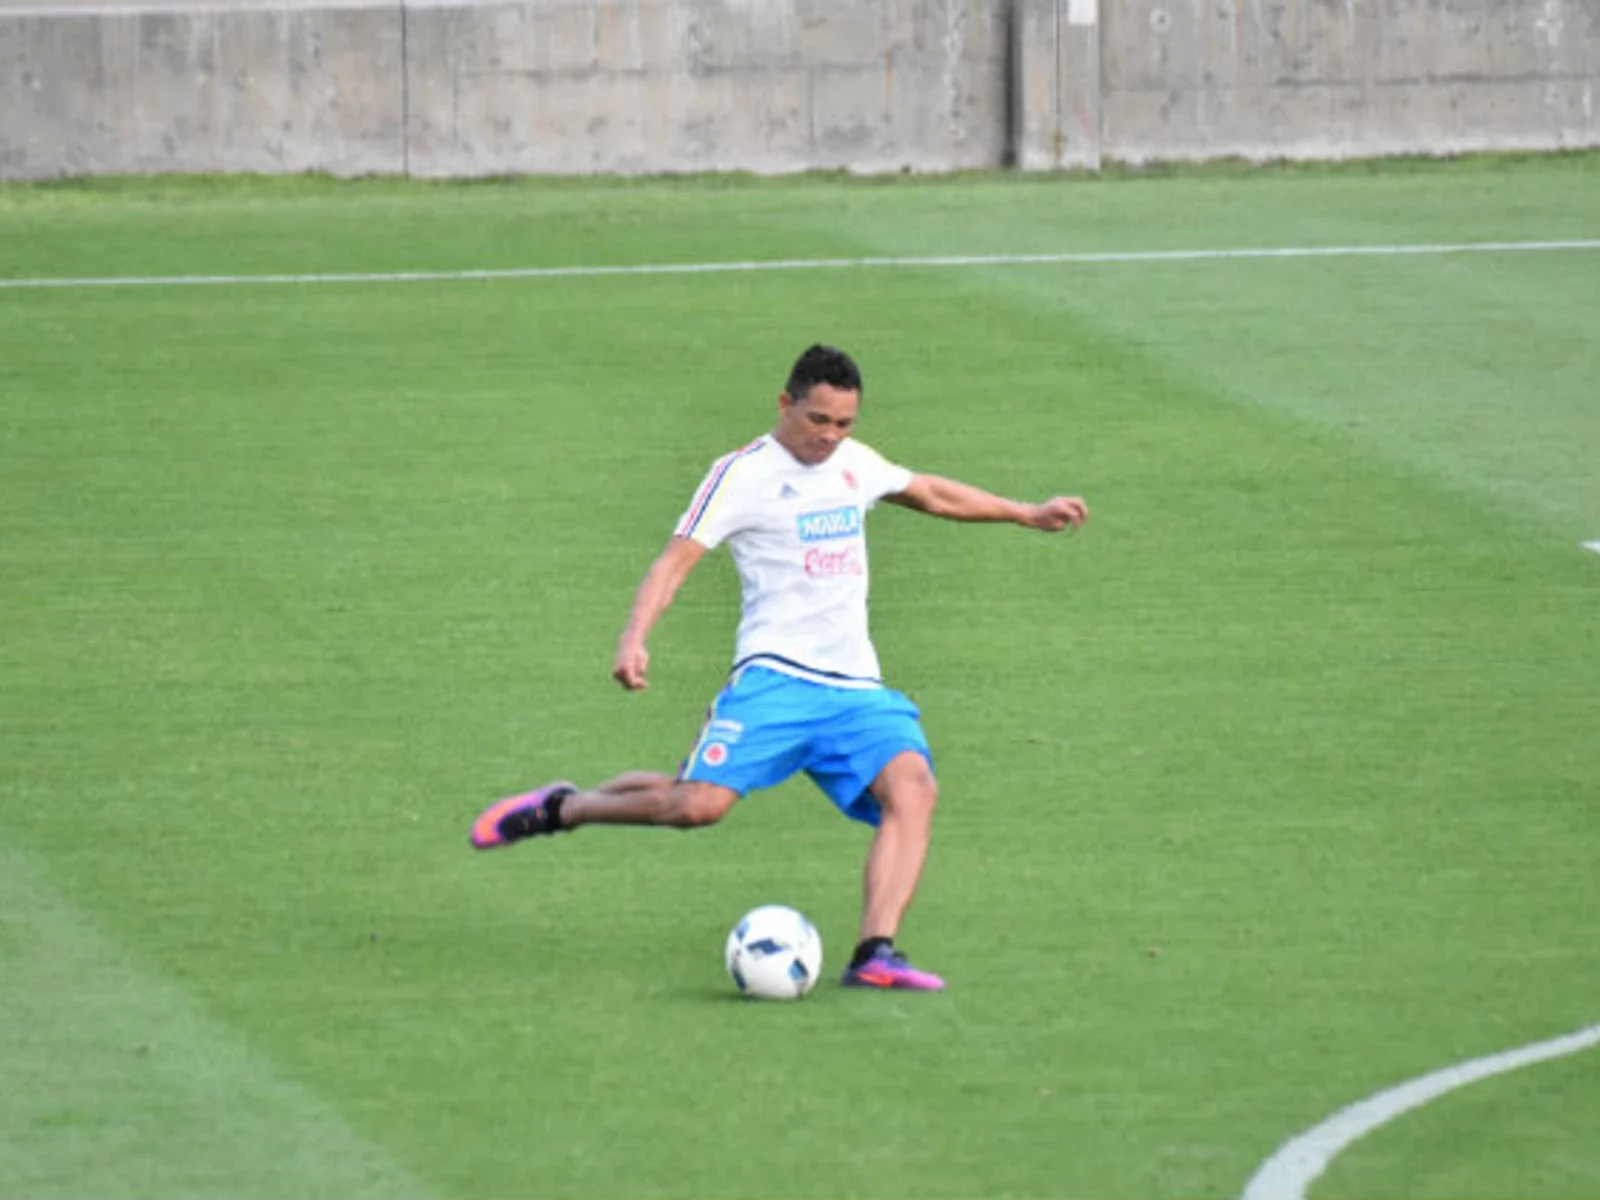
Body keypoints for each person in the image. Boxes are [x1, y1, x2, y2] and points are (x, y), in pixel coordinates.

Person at [470, 345, 1087, 991]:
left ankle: (876, 951)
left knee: (914, 789)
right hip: (774, 679)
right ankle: (563, 809)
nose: (830, 437)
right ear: (785, 403)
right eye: (818, 420)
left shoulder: (855, 463)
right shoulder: (742, 474)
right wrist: (634, 637)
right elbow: (674, 559)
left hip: (855, 689)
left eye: (844, 423)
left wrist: (1025, 512)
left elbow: (927, 491)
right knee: (695, 806)